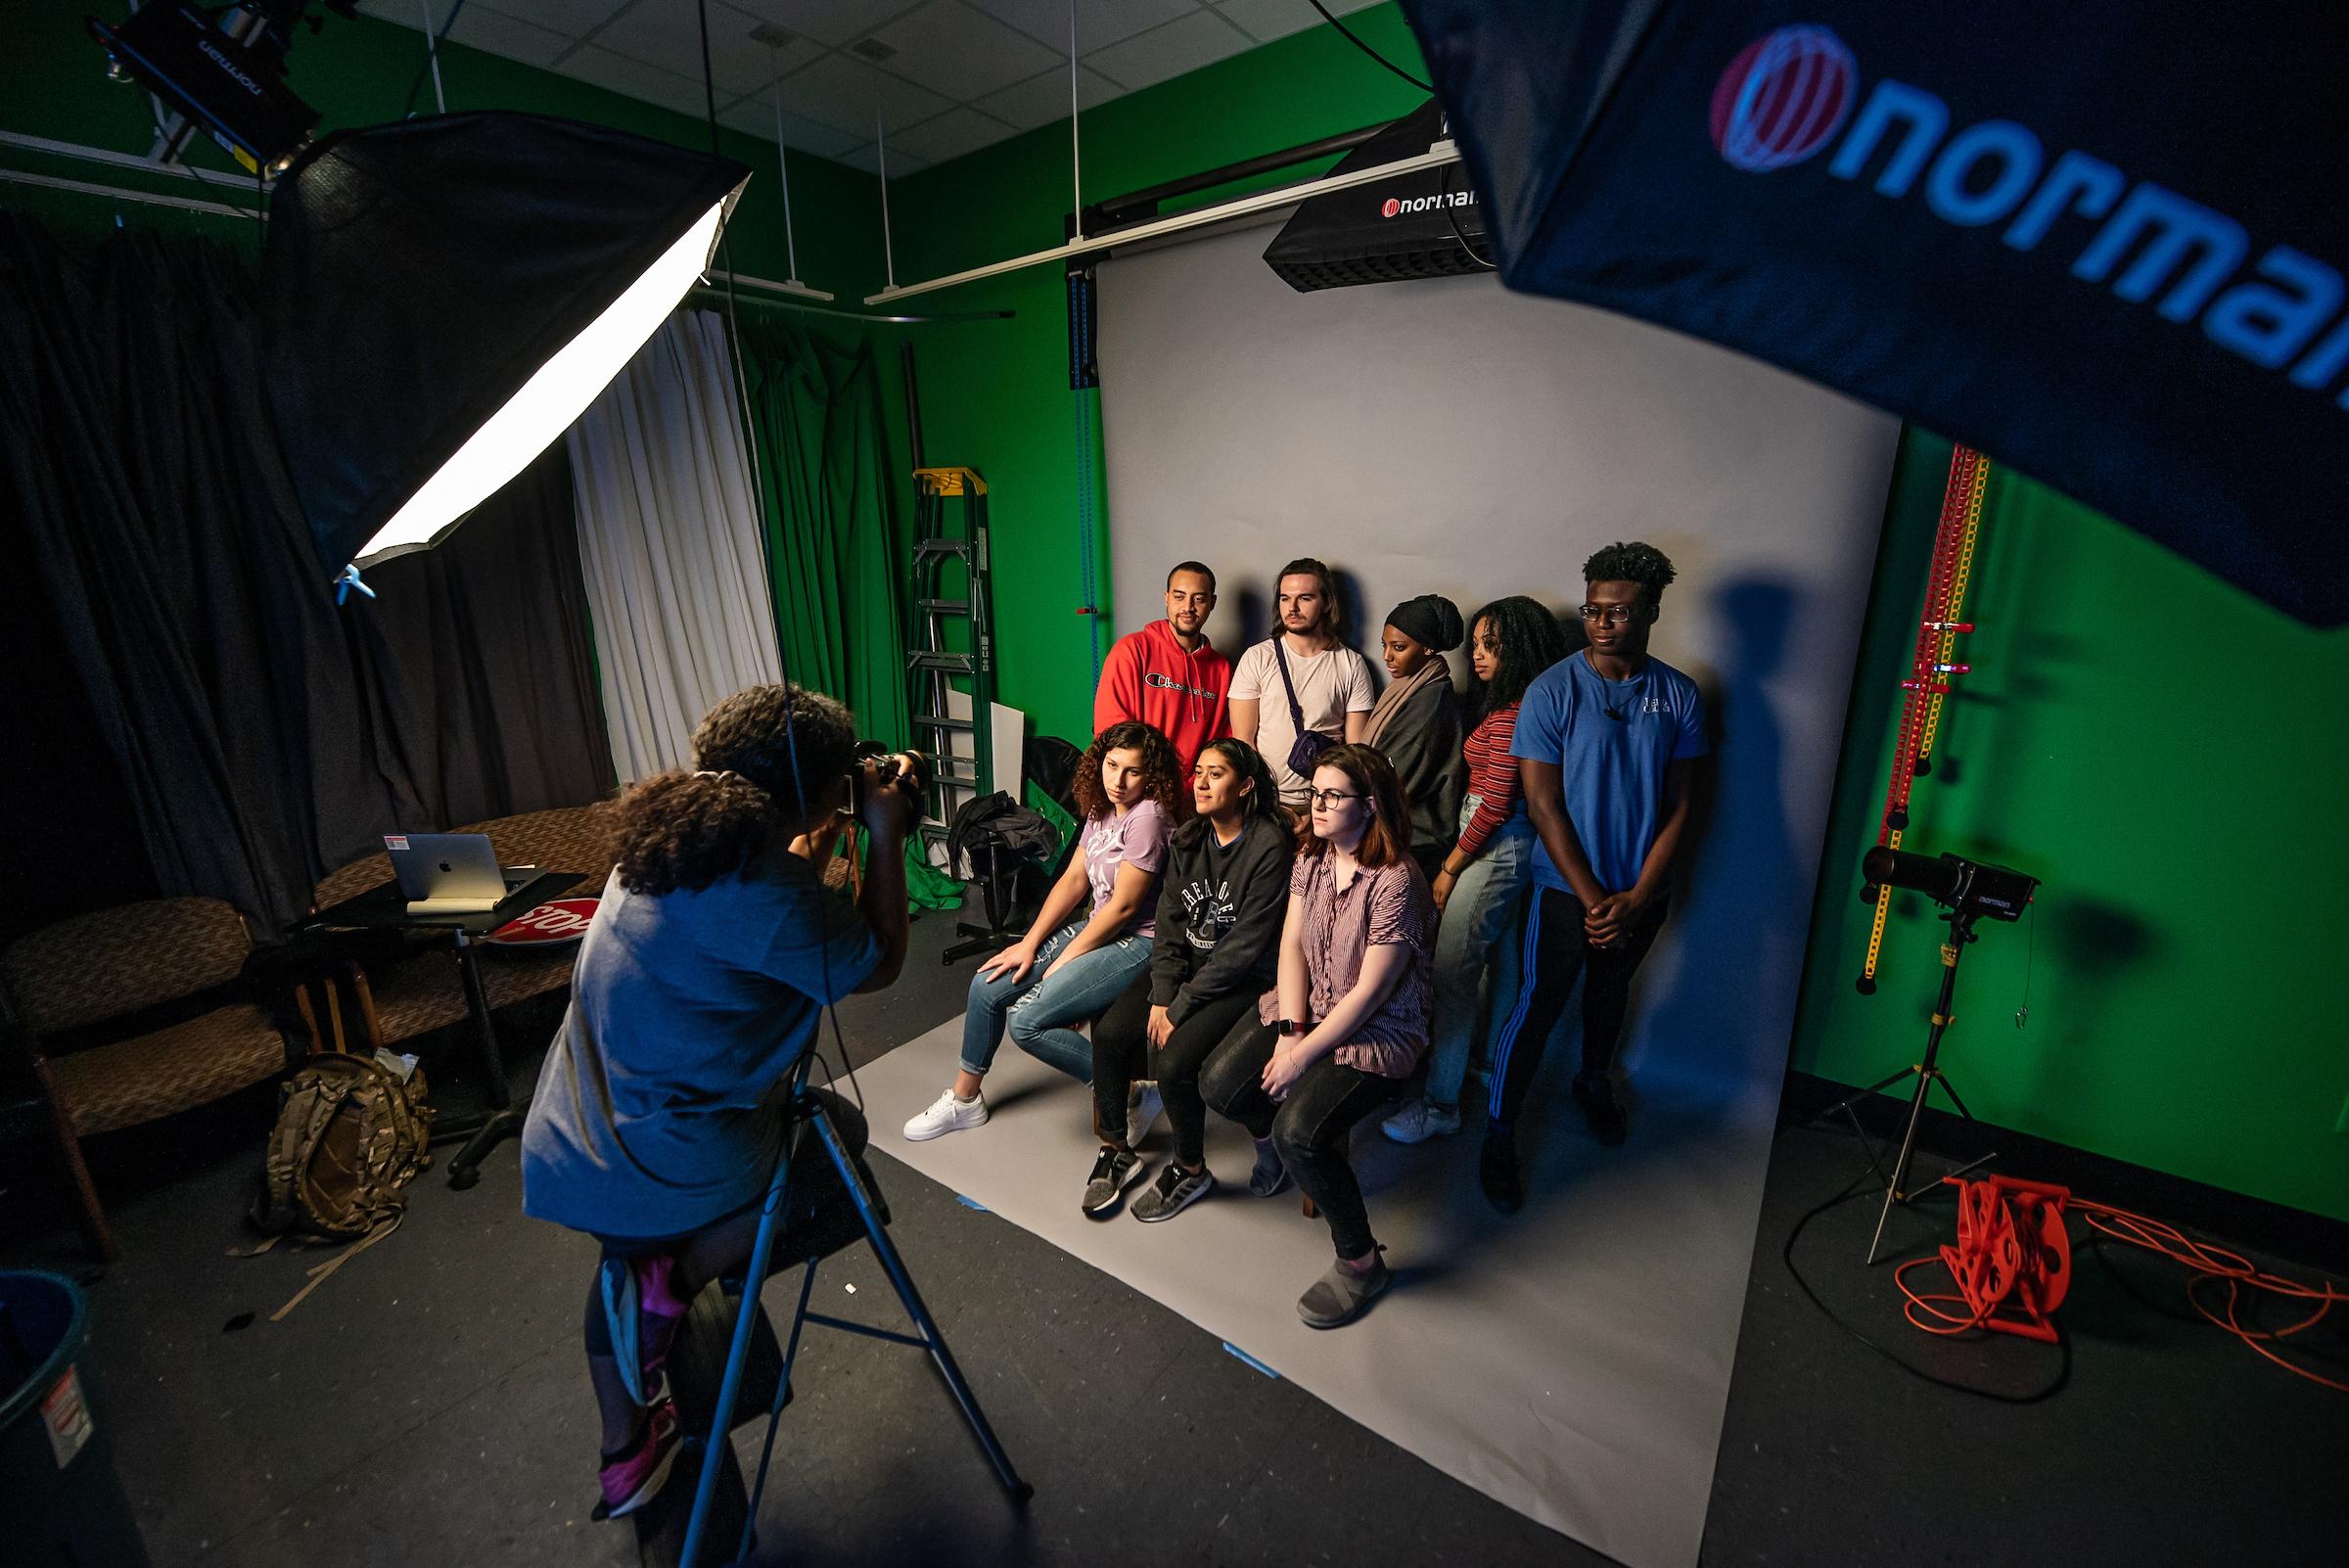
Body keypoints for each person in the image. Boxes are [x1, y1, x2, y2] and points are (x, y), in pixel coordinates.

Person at [518, 682, 918, 1520]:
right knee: (838, 1133)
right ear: (814, 788)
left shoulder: (672, 841)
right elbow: (874, 960)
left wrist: (825, 831)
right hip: (661, 1160)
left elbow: (764, 912)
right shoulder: (763, 894)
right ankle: (679, 1278)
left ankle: (625, 1455)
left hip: (577, 1136)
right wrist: (884, 839)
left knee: (620, 1259)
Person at [1482, 543, 1707, 1212]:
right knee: (1537, 1008)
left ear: (1651, 613)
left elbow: (1683, 804)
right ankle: (1499, 1134)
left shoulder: (1679, 694)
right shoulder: (1553, 690)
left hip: (1641, 894)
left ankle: (1593, 1084)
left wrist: (1637, 897)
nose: (1603, 622)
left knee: (1609, 996)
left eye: (1619, 612)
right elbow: (1543, 805)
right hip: (1563, 892)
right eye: (1593, 610)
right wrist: (1593, 900)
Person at [1199, 745, 1435, 1329]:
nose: (1319, 804)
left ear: (1370, 805)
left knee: (1298, 1132)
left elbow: (1370, 996)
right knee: (1220, 1084)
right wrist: (1289, 1033)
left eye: (1334, 795)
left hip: (1376, 1030)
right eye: (1316, 792)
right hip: (1313, 1009)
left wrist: (1301, 1057)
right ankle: (1273, 1149)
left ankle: (1360, 1262)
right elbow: (1292, 947)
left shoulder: (1398, 880)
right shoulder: (1314, 856)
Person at [902, 720, 1182, 1145]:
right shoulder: (1102, 808)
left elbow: (1124, 908)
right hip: (1099, 926)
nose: (1118, 781)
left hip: (1141, 940)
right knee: (988, 983)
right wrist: (1029, 944)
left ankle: (1127, 1092)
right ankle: (965, 1100)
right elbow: (1073, 880)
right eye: (1111, 766)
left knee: (1027, 1021)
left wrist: (1063, 962)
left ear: (1151, 776)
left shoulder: (1148, 819)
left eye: (1133, 772)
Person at [1384, 596, 1571, 1144]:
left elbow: (1493, 802)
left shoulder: (1516, 713)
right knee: (1503, 968)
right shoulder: (1522, 706)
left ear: (1520, 649)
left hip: (1492, 849)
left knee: (1452, 976)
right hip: (1509, 849)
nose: (1480, 656)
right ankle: (1488, 1071)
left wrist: (1449, 866)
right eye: (1478, 644)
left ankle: (1440, 1104)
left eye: (1493, 645)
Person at [1086, 738, 1295, 1220]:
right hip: (1189, 971)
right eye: (1198, 771)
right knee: (1114, 1034)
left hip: (1244, 980)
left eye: (1215, 774)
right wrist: (1163, 994)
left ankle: (1189, 1168)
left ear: (1245, 786)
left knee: (1178, 1062)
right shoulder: (1189, 838)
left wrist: (1179, 1006)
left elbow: (1244, 949)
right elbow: (1170, 926)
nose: (1199, 782)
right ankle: (1116, 1148)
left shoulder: (1268, 845)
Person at [1228, 557, 1375, 813]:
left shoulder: (1351, 664)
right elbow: (1244, 743)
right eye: (1285, 598)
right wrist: (1265, 803)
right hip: (1268, 803)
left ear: (1327, 602)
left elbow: (1355, 753)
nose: (1292, 607)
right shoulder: (1258, 657)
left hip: (1328, 805)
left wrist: (1325, 807)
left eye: (1305, 598)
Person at [1092, 561, 1233, 779]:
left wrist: (1194, 791)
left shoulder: (1221, 670)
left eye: (1198, 598)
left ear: (1212, 602)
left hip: (1192, 800)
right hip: (1136, 791)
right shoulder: (1132, 650)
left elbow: (1222, 743)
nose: (1188, 607)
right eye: (1179, 597)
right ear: (1166, 597)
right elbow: (1111, 730)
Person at [1364, 593, 1466, 877]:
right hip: (1398, 836)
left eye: (1399, 647)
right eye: (1384, 646)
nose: (1387, 657)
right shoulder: (1408, 687)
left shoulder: (1430, 702)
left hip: (1414, 844)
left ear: (1428, 648)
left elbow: (1394, 780)